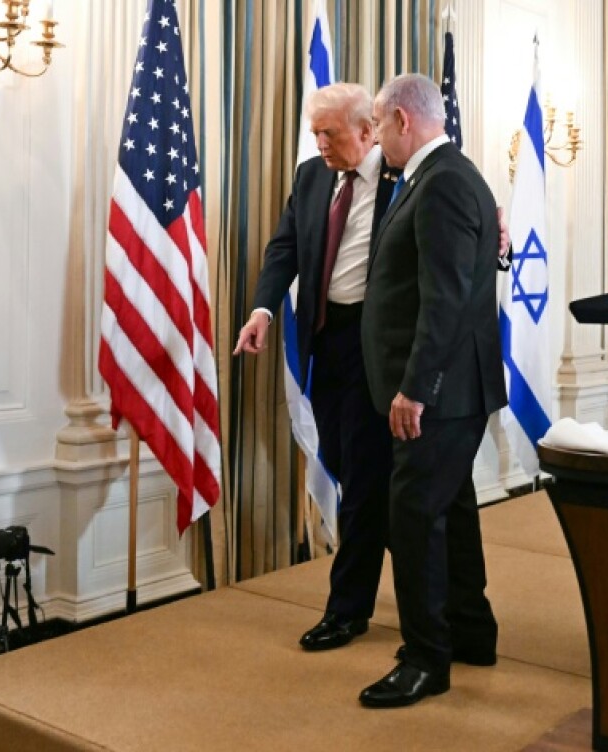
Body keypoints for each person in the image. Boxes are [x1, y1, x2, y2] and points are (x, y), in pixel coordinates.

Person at [357, 74, 507, 709]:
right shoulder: (446, 172)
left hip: (438, 389)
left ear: (400, 120)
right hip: (454, 386)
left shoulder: (441, 180)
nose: (375, 139)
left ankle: (426, 659)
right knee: (453, 508)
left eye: (377, 126)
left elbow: (444, 299)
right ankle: (469, 630)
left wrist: (415, 389)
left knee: (414, 515)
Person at [233, 83, 396, 653]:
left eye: (330, 133)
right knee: (355, 472)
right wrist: (262, 310)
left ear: (369, 131)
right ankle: (437, 586)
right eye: (315, 132)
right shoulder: (311, 176)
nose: (320, 143)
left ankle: (346, 611)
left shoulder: (403, 179)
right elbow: (285, 249)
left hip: (378, 351)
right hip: (325, 343)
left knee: (365, 480)